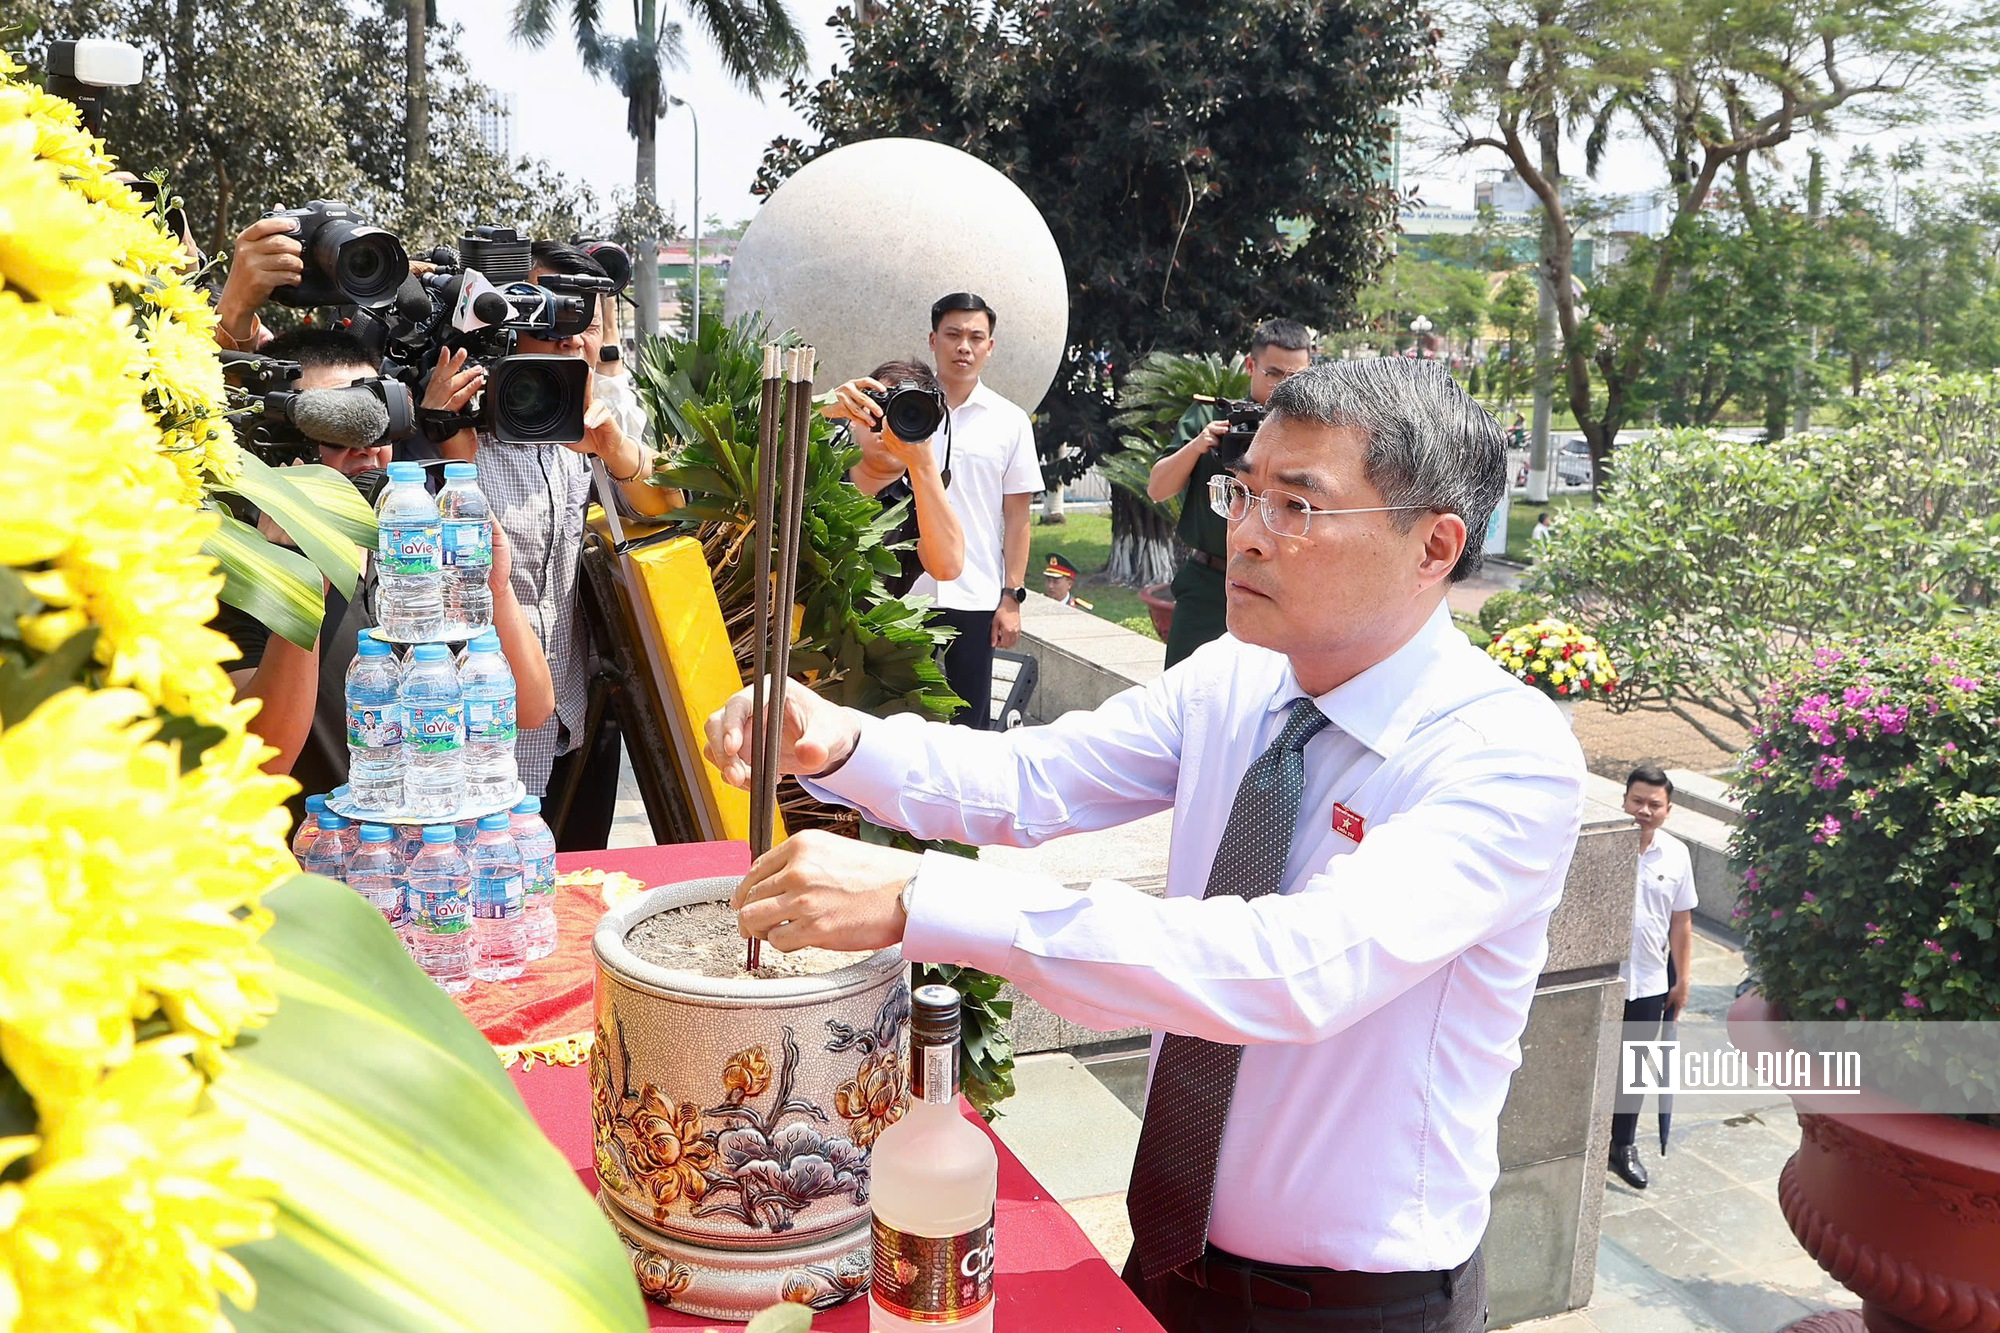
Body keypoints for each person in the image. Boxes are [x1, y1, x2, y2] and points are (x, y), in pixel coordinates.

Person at [706, 359, 1587, 1333]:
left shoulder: (1501, 755)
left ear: (1433, 545)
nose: (1244, 533)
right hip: (1170, 1251)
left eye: (1297, 506)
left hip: (1354, 1306)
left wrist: (924, 902)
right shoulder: (1238, 678)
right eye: (1242, 492)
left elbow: (1290, 968)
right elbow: (1037, 778)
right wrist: (840, 740)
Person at [218, 327, 553, 815]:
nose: (364, 449)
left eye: (375, 424)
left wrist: (496, 591)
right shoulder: (241, 562)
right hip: (320, 864)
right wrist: (303, 574)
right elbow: (259, 765)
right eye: (335, 428)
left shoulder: (415, 548)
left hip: (436, 863)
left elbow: (530, 708)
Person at [426, 241, 677, 823]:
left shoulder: (585, 427)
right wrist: (443, 434)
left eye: (580, 318)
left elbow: (666, 508)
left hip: (576, 722)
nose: (566, 335)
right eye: (542, 311)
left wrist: (615, 450)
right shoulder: (446, 423)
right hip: (471, 736)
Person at [1146, 319, 1313, 667]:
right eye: (1274, 373)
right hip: (1209, 582)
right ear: (1251, 366)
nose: (1284, 385)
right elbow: (1157, 488)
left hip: (1282, 582)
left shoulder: (1312, 433)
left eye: (1295, 377)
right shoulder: (1215, 416)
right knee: (1184, 692)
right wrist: (1199, 445)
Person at [917, 292, 1045, 728]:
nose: (963, 347)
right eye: (952, 335)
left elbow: (1018, 518)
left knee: (968, 723)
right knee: (892, 716)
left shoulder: (1010, 422)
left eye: (976, 337)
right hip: (905, 587)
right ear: (933, 340)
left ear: (990, 347)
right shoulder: (904, 411)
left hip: (975, 595)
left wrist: (1012, 598)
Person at [1610, 766, 1696, 1190]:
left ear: (1668, 809)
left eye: (1653, 804)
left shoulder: (1677, 855)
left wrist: (1682, 979)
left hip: (1648, 978)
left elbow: (1681, 921)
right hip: (1606, 977)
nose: (1644, 810)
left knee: (1636, 1069)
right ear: (1624, 801)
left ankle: (1621, 1145)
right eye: (1636, 801)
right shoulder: (1605, 846)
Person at [823, 359, 966, 598]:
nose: (890, 424)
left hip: (862, 634)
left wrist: (923, 463)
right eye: (883, 405)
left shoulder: (918, 510)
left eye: (910, 414)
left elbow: (948, 566)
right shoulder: (815, 473)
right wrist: (819, 406)